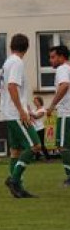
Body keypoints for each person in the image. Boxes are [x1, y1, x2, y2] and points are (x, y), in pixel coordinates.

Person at [0, 33, 43, 198]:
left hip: (9, 112)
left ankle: (18, 189)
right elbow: (12, 86)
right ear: (27, 48)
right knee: (35, 146)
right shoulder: (17, 62)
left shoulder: (7, 62)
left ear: (11, 46)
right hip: (15, 113)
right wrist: (21, 111)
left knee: (16, 151)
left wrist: (26, 109)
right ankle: (14, 179)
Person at [45, 44, 70, 187]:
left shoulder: (62, 69)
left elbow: (65, 85)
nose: (50, 60)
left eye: (53, 57)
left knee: (63, 146)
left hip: (66, 113)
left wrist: (52, 105)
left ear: (61, 57)